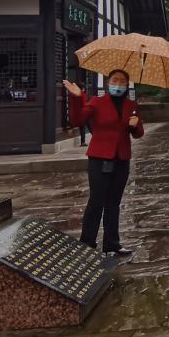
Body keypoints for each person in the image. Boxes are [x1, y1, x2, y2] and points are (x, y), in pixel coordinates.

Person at [63, 70, 144, 257]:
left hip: (121, 159)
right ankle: (87, 242)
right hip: (99, 158)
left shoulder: (131, 105)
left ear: (127, 85)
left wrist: (135, 125)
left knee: (114, 202)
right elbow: (77, 120)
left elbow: (138, 133)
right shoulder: (97, 102)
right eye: (115, 80)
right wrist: (77, 97)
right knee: (96, 201)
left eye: (122, 81)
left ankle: (112, 243)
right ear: (108, 83)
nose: (118, 84)